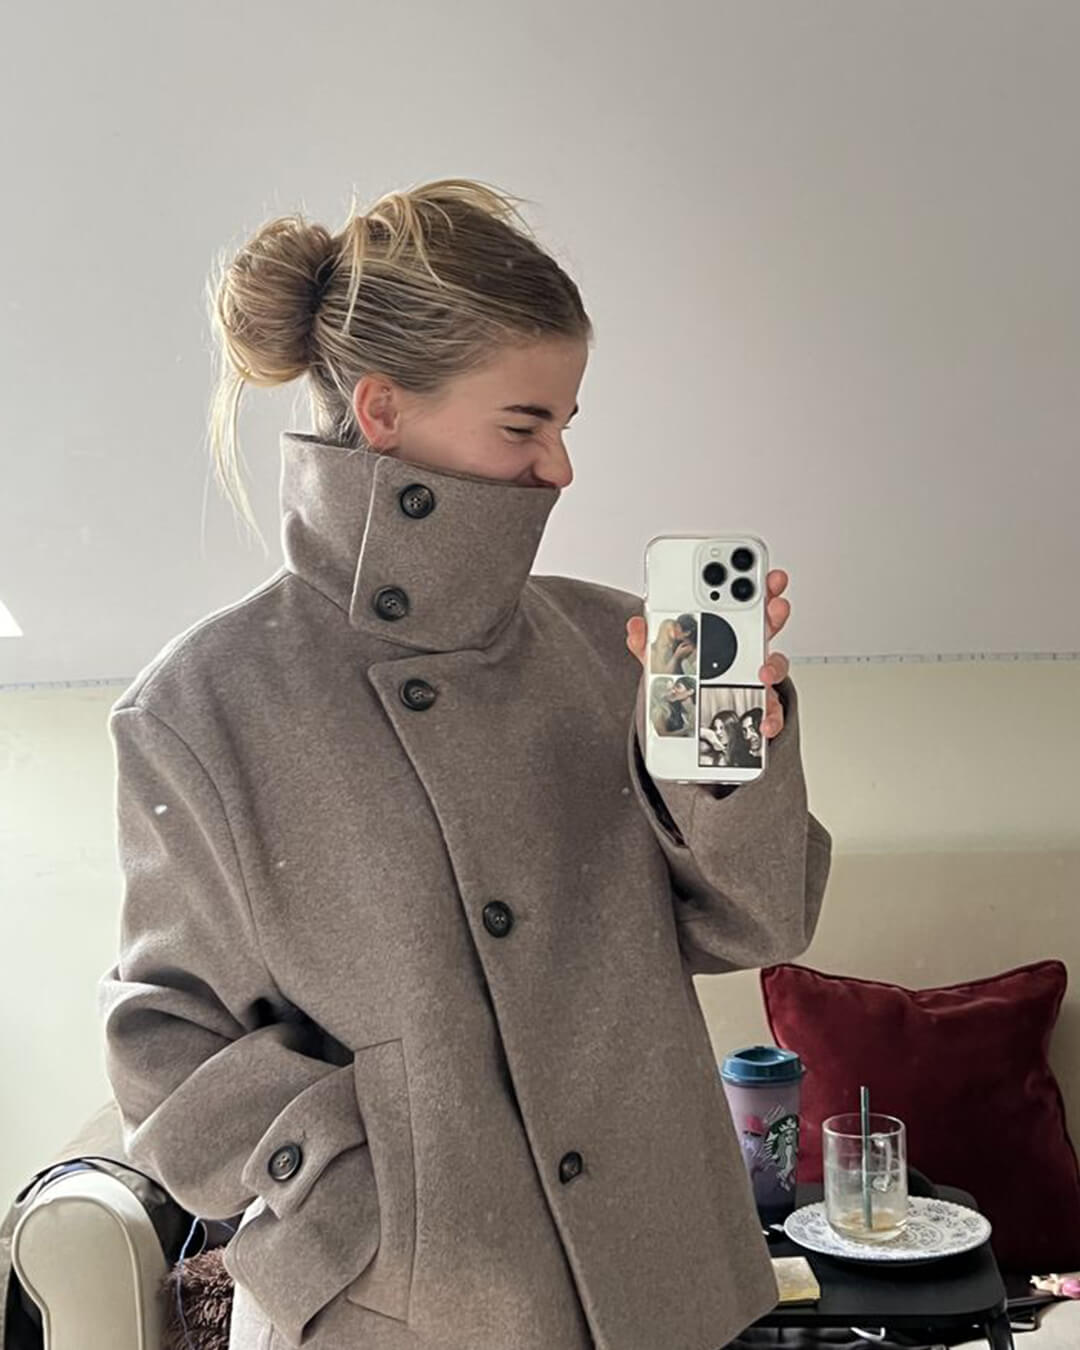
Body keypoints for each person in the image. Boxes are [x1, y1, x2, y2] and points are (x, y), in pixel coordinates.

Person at [96, 177, 833, 1350]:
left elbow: (759, 927)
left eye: (566, 425)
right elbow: (164, 1035)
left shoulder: (611, 646)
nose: (561, 467)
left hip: (665, 1283)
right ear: (384, 409)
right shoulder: (203, 706)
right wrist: (360, 1192)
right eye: (524, 424)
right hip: (403, 1309)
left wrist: (729, 772)